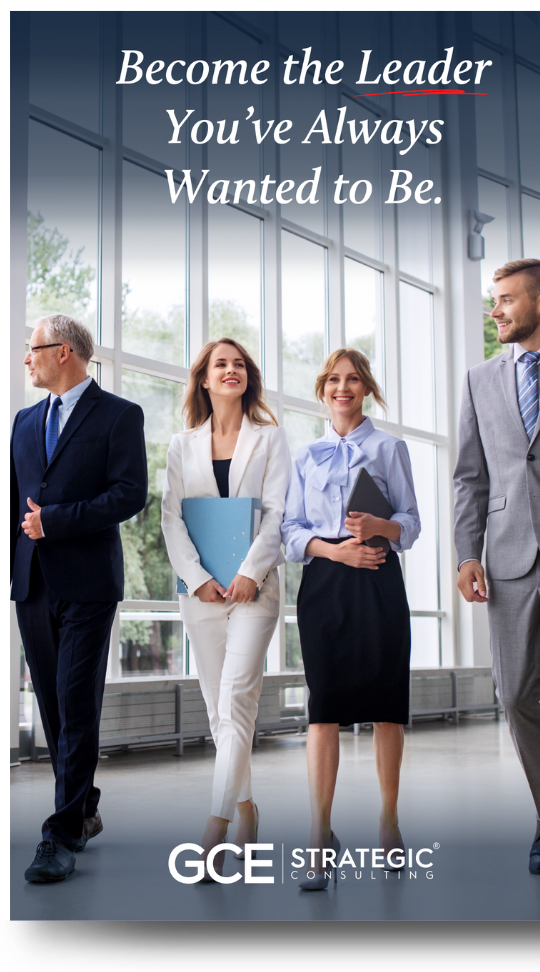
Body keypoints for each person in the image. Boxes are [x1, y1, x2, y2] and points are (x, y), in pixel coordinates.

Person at [453, 259, 540, 911]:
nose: (495, 311)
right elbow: (468, 476)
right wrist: (465, 552)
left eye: (505, 300)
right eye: (493, 301)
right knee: (513, 697)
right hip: (506, 556)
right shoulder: (480, 380)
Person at [11, 314, 148, 883]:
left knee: (75, 701)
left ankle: (61, 834)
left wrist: (57, 523)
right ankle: (85, 807)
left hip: (89, 583)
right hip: (33, 584)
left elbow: (129, 493)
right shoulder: (22, 421)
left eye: (33, 349)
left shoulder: (119, 415)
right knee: (54, 706)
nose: (27, 359)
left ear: (63, 352)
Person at [281, 349, 420, 890]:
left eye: (353, 380)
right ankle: (320, 836)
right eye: (334, 380)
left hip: (380, 577)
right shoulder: (305, 454)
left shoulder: (390, 447)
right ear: (323, 389)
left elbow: (411, 523)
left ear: (365, 389)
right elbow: (290, 531)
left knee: (386, 704)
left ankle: (388, 822)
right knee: (324, 709)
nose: (343, 388)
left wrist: (379, 527)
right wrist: (337, 550)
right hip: (325, 581)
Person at [161, 338, 291, 879]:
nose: (231, 370)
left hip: (254, 593)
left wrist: (247, 573)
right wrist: (199, 580)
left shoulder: (271, 438)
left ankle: (214, 829)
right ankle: (246, 811)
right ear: (205, 380)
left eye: (239, 364)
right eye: (221, 364)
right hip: (203, 597)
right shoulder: (180, 444)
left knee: (237, 696)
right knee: (222, 712)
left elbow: (280, 512)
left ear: (248, 378)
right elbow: (171, 519)